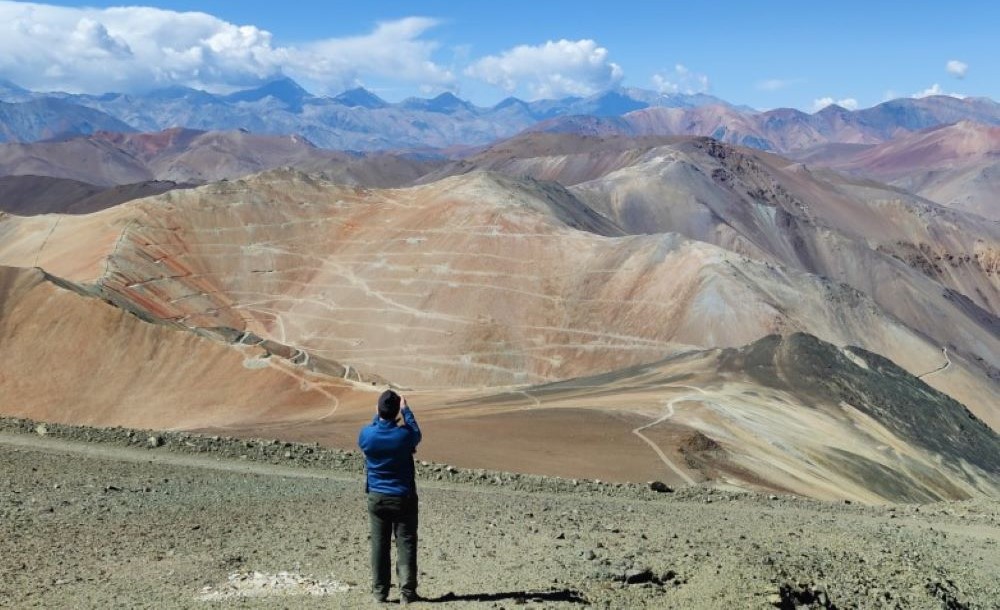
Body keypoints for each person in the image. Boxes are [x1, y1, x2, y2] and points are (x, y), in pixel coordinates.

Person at [358, 389, 423, 604]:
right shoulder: (404, 436)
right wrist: (407, 411)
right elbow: (416, 432)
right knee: (405, 543)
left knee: (379, 544)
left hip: (377, 496)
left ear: (378, 410)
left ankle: (380, 592)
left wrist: (378, 416)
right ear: (397, 411)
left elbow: (369, 435)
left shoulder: (367, 435)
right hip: (403, 496)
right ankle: (407, 593)